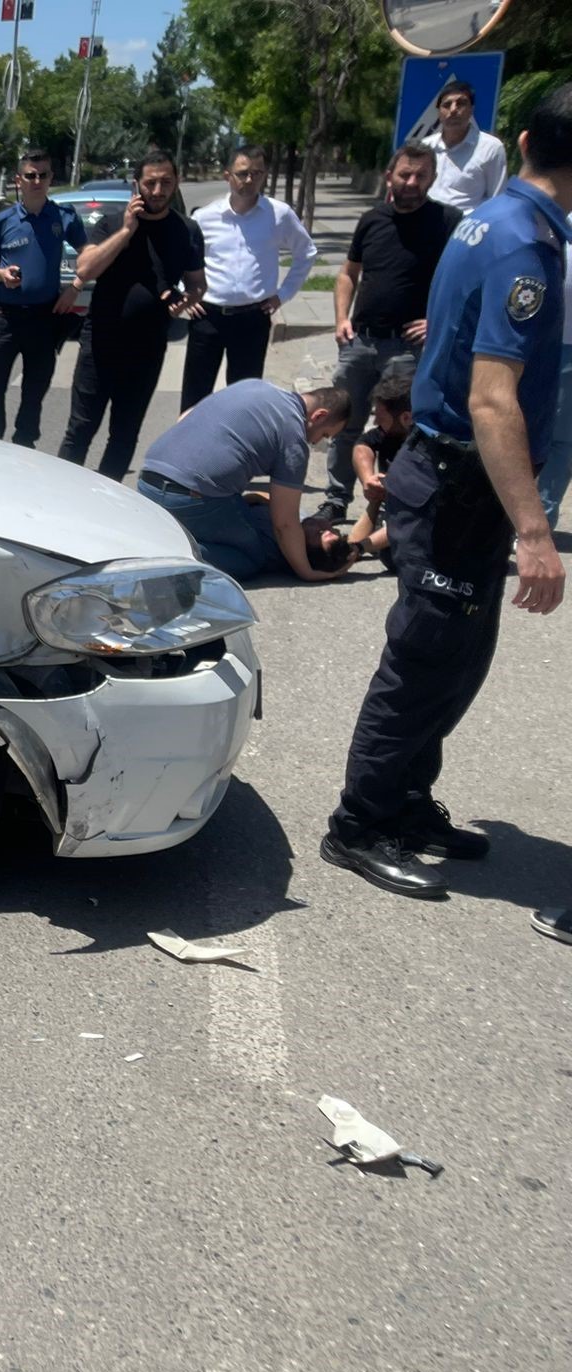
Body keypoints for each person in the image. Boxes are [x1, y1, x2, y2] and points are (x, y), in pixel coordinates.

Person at [322, 83, 571, 900]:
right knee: (424, 657)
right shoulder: (524, 247)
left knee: (457, 657)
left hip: (461, 480)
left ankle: (405, 801)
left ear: (526, 140)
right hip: (461, 479)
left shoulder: (492, 218)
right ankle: (357, 824)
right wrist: (536, 533)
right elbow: (493, 399)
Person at [318, 144, 461, 520]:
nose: (412, 182)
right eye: (405, 175)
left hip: (407, 348)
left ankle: (396, 505)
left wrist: (438, 322)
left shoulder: (448, 221)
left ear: (432, 179)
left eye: (421, 176)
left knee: (400, 429)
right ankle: (336, 499)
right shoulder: (372, 219)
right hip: (359, 341)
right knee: (344, 423)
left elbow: (466, 282)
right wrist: (340, 319)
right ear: (389, 176)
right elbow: (348, 273)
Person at [57, 150, 206, 481]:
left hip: (147, 350)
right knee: (80, 429)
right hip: (100, 344)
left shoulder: (188, 230)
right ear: (137, 185)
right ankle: (59, 495)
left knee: (124, 436)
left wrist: (188, 301)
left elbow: (198, 285)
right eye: (150, 183)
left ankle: (106, 502)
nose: (157, 190)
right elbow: (85, 268)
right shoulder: (112, 223)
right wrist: (126, 232)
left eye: (165, 182)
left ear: (176, 183)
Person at [136, 380, 354, 580]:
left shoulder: (256, 387)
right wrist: (307, 572)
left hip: (148, 479)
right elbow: (285, 523)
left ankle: (165, 536)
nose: (316, 442)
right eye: (324, 435)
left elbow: (185, 416)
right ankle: (166, 556)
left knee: (236, 510)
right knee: (252, 557)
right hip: (190, 497)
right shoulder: (293, 438)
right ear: (319, 416)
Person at [181, 146, 318, 410]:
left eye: (256, 173)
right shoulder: (204, 217)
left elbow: (306, 253)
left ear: (264, 175)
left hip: (252, 319)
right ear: (227, 176)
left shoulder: (279, 215)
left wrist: (283, 294)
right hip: (207, 317)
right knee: (195, 397)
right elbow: (182, 259)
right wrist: (185, 292)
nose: (249, 180)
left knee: (244, 400)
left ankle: (237, 450)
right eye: (242, 173)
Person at [0, 149, 88, 448]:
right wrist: (1, 275)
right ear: (18, 181)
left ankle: (25, 446)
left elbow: (90, 255)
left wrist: (75, 286)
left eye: (43, 175)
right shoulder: (3, 220)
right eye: (30, 175)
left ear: (51, 178)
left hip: (43, 319)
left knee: (35, 390)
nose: (37, 181)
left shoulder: (63, 217)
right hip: (6, 319)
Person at [344, 368, 416, 562]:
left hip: (427, 520)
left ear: (406, 418)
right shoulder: (389, 433)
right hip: (399, 515)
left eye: (381, 417)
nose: (375, 421)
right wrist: (371, 483)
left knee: (394, 555)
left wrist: (359, 547)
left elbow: (415, 518)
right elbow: (363, 446)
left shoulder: (425, 452)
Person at [424, 78, 508, 215]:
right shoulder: (426, 147)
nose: (453, 110)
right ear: (439, 112)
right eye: (447, 105)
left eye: (461, 103)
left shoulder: (491, 148)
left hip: (464, 231)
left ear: (471, 110)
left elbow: (497, 199)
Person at [540, 243, 572, 528]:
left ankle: (542, 517)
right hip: (528, 341)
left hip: (569, 347)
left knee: (560, 440)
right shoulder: (555, 221)